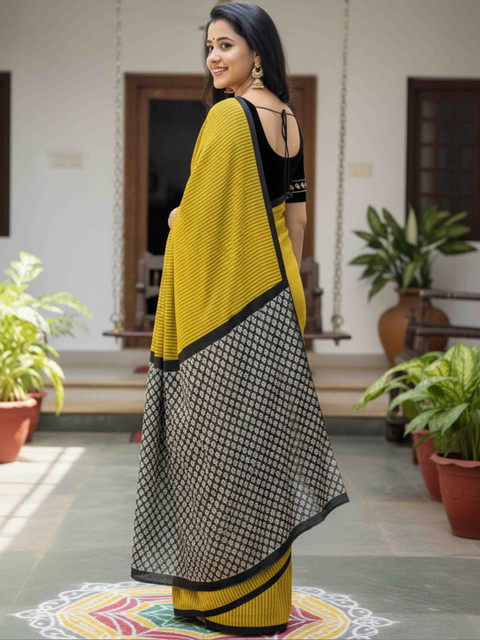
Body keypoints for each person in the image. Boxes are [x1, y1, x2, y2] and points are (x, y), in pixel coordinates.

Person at [130, 2, 350, 636]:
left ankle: (221, 599)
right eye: (209, 47)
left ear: (256, 49)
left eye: (225, 44)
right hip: (277, 295)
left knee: (215, 452)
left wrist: (178, 221)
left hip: (228, 308)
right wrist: (284, 289)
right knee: (262, 453)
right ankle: (264, 603)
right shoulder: (289, 119)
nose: (214, 57)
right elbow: (296, 219)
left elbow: (197, 216)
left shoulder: (229, 117)